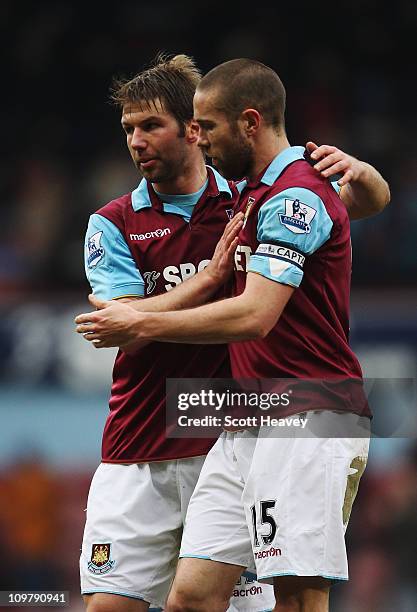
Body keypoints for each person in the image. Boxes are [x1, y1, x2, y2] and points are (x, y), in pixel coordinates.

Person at [75, 58, 390, 612]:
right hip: (239, 421)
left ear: (248, 122)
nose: (200, 139)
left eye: (206, 127)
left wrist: (141, 320)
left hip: (305, 411)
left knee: (293, 596)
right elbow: (354, 208)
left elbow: (254, 316)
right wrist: (369, 183)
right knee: (192, 598)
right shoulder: (251, 194)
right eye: (129, 129)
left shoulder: (291, 193)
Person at [79, 53, 275, 612]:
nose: (136, 141)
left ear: (193, 129)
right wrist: (210, 278)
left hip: (230, 447)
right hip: (139, 446)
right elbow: (128, 331)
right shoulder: (113, 223)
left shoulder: (249, 203)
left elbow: (362, 204)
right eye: (128, 130)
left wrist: (361, 174)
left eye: (149, 126)